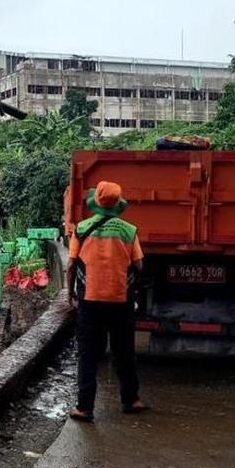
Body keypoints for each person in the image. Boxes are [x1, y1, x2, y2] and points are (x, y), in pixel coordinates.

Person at [66, 180, 148, 423]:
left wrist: (70, 294)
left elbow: (71, 265)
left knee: (87, 354)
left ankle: (84, 407)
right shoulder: (129, 231)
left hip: (89, 301)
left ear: (97, 202)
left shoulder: (81, 229)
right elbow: (139, 265)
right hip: (120, 300)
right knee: (124, 351)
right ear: (117, 204)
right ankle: (131, 399)